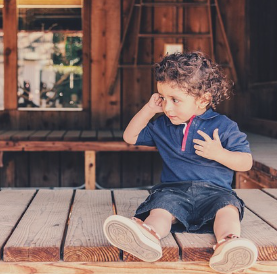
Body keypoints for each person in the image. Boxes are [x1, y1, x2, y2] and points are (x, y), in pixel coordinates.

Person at [103, 51, 258, 273]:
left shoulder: (224, 126)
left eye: (175, 100)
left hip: (215, 193)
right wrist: (149, 109)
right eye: (163, 98)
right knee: (161, 209)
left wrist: (219, 154)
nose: (167, 107)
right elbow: (130, 137)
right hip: (173, 191)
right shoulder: (163, 126)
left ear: (203, 99)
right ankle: (148, 236)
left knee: (228, 208)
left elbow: (246, 163)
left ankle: (228, 243)